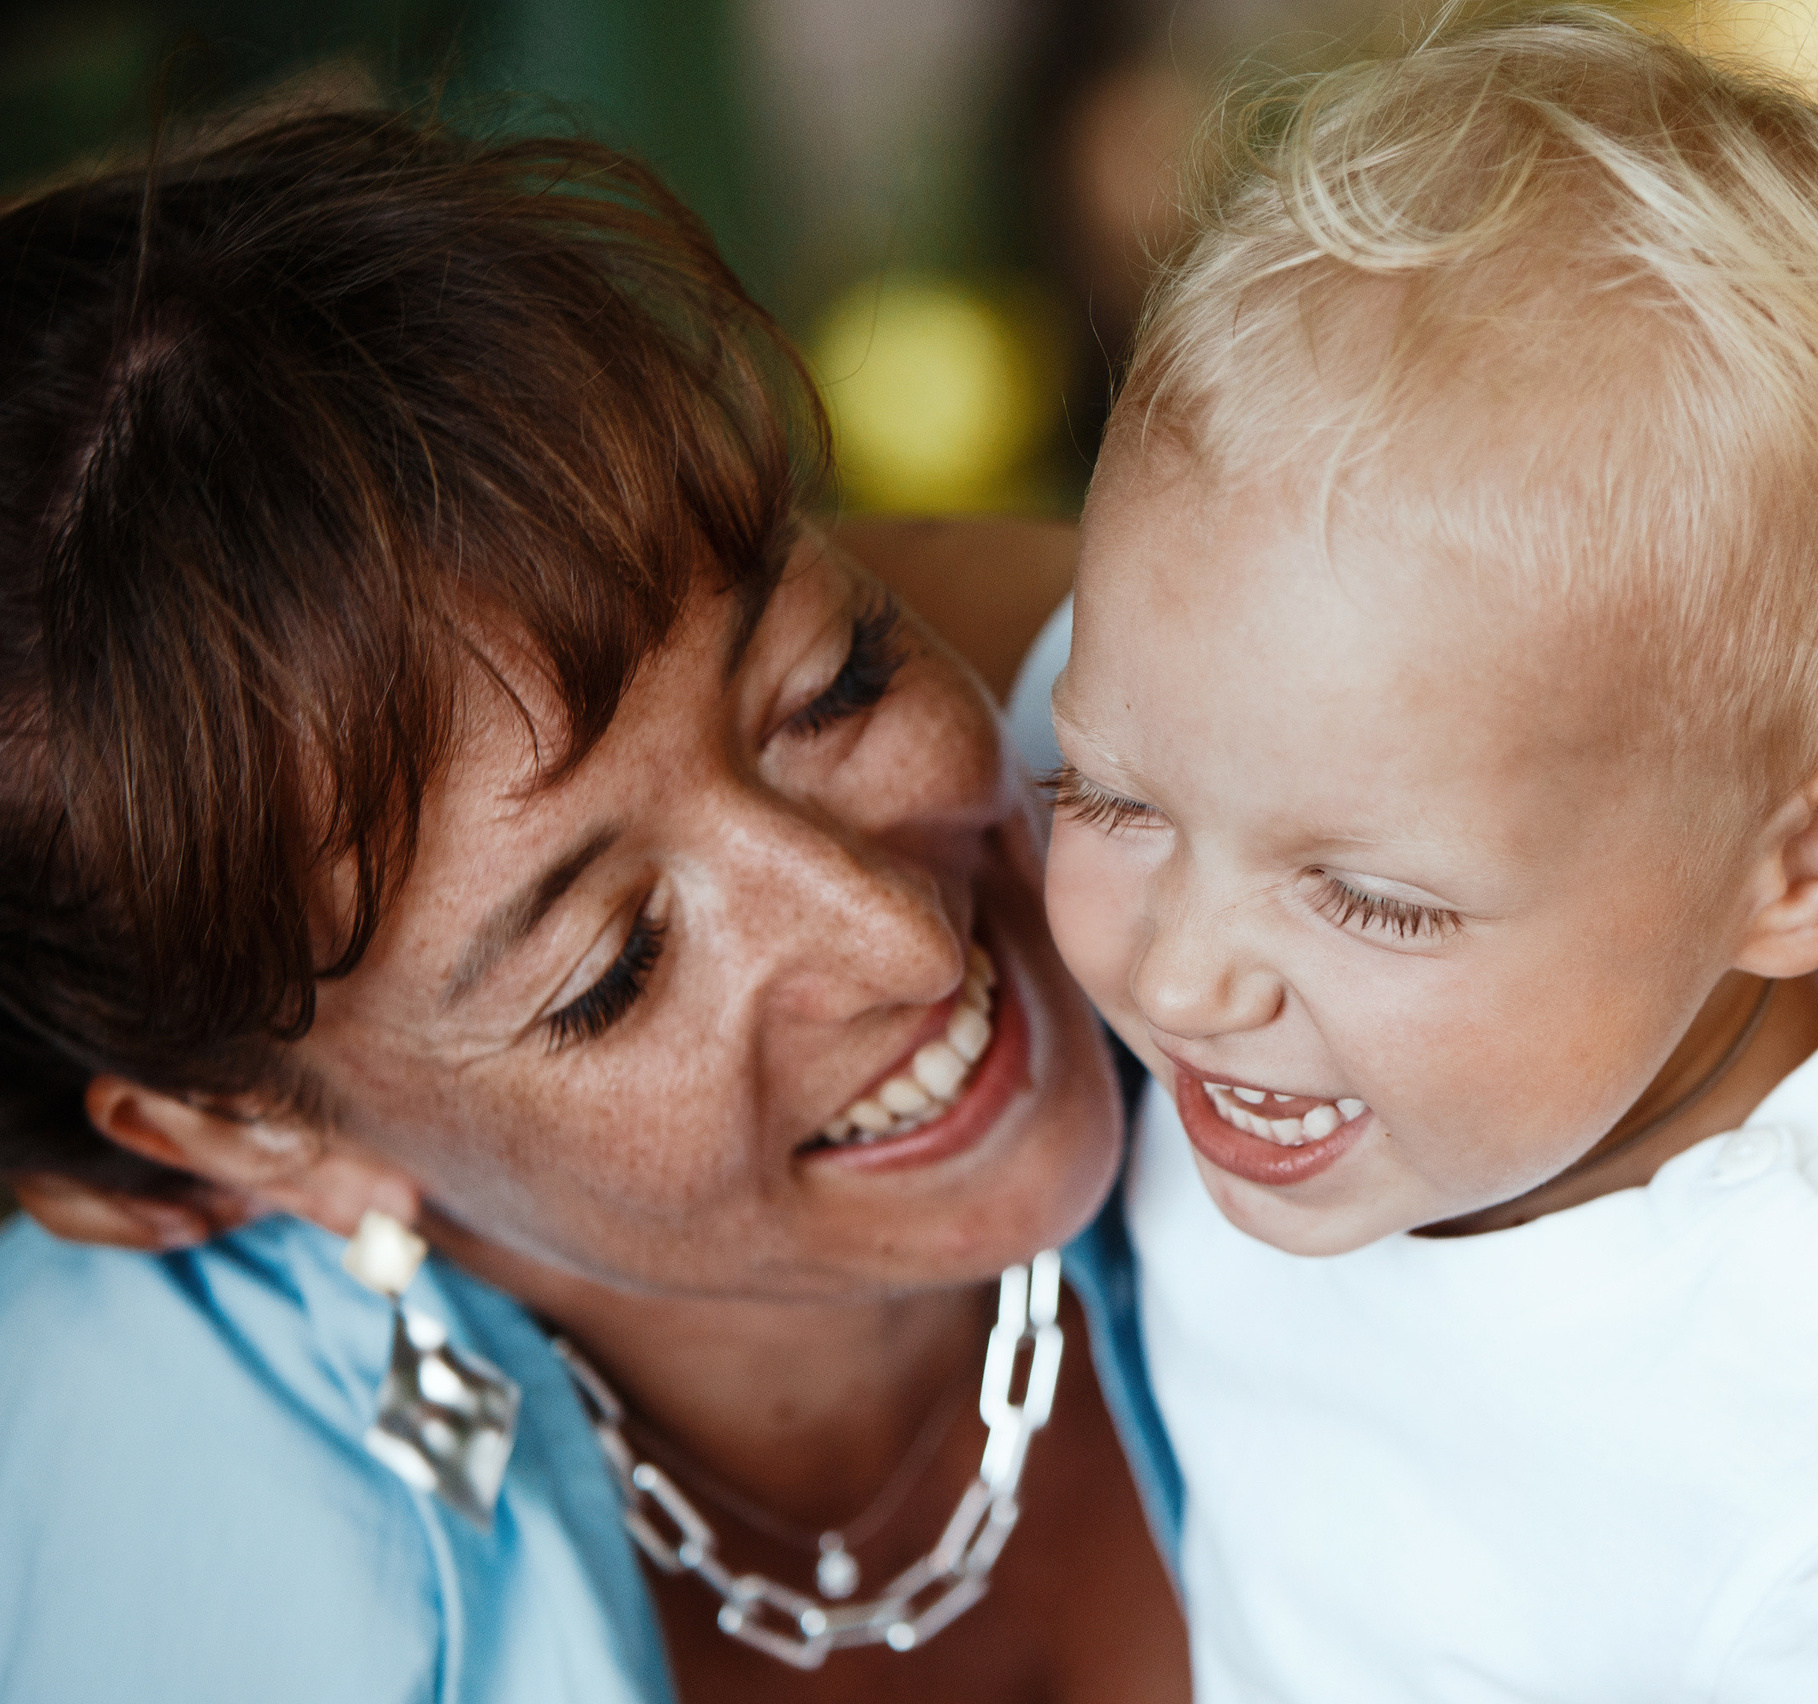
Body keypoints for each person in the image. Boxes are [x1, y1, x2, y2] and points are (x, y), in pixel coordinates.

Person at [1036, 9, 1818, 1700]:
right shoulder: (1318, 770)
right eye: (1107, 799)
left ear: (1815, 857)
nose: (1177, 971)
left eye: (1376, 901)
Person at [0, 106, 1185, 1701]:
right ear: (247, 1140)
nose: (897, 938)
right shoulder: (111, 1581)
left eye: (836, 683)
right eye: (614, 971)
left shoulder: (1233, 799)